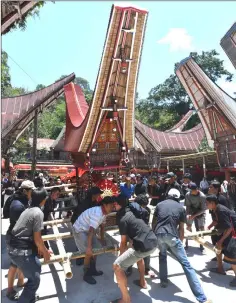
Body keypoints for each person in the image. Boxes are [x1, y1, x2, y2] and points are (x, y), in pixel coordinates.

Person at [152, 188, 211, 303]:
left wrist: (156, 235)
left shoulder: (159, 204)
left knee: (162, 256)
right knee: (186, 265)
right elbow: (182, 229)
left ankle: (163, 282)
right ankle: (201, 298)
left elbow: (154, 223)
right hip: (172, 236)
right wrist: (181, 243)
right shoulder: (180, 208)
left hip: (159, 234)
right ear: (178, 198)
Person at [7, 188, 51, 303]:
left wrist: (43, 248)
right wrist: (45, 252)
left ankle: (30, 297)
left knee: (32, 270)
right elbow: (37, 238)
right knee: (34, 279)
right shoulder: (38, 213)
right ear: (43, 200)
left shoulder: (28, 210)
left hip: (13, 248)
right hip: (21, 251)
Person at [112, 195, 158, 303]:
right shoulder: (132, 212)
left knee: (117, 266)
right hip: (153, 241)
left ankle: (125, 300)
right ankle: (142, 282)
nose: (114, 206)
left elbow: (123, 242)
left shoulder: (123, 218)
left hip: (143, 246)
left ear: (119, 205)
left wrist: (121, 259)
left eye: (115, 204)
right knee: (138, 257)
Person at [72, 196, 114, 285]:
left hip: (88, 230)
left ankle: (93, 269)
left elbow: (102, 226)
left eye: (113, 206)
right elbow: (91, 231)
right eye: (111, 206)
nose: (112, 208)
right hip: (80, 230)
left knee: (97, 249)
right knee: (88, 253)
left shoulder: (104, 213)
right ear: (105, 205)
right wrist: (89, 247)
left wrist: (102, 239)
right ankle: (86, 274)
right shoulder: (98, 213)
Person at [5, 180, 35, 300]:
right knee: (14, 264)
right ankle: (10, 291)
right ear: (24, 191)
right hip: (15, 238)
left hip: (20, 236)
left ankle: (20, 282)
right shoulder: (18, 205)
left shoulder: (21, 200)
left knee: (21, 263)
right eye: (31, 191)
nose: (32, 193)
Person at [206, 194, 236, 286]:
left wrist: (221, 240)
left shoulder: (221, 210)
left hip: (233, 230)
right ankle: (221, 268)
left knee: (231, 255)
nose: (206, 205)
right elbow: (216, 221)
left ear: (212, 203)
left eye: (207, 203)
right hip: (229, 229)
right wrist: (209, 227)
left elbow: (229, 228)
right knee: (223, 248)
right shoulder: (215, 209)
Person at [185, 182, 207, 252]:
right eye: (189, 190)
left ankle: (202, 244)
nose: (190, 191)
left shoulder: (202, 196)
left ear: (196, 189)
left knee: (201, 228)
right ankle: (186, 243)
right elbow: (188, 206)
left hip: (200, 211)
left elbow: (203, 209)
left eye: (191, 190)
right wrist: (188, 214)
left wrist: (194, 215)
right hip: (191, 211)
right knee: (188, 227)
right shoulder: (188, 195)